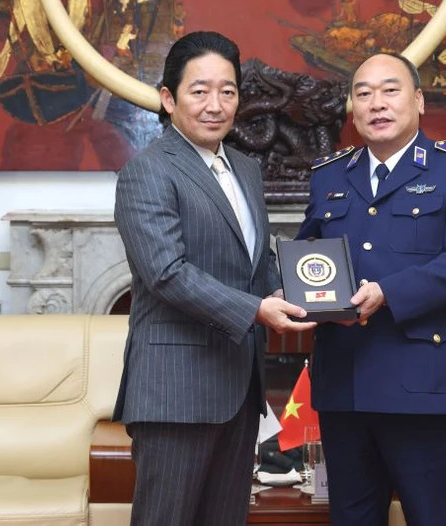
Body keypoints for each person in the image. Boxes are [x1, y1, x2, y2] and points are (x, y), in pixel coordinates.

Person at [113, 31, 316, 526]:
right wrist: (256, 310)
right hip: (175, 392)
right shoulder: (148, 172)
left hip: (239, 387)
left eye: (227, 91)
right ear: (169, 98)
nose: (215, 104)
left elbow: (254, 259)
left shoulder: (245, 168)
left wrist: (292, 292)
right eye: (199, 90)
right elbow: (166, 273)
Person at [296, 53, 446, 525]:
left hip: (423, 386)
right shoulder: (329, 174)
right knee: (352, 517)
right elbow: (310, 256)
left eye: (390, 90)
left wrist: (387, 291)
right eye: (363, 93)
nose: (376, 104)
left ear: (419, 101)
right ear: (353, 108)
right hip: (343, 384)